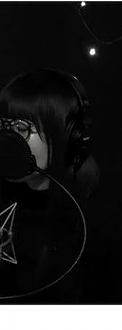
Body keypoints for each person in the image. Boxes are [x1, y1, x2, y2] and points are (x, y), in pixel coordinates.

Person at [0, 68, 99, 302]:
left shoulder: (94, 221)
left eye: (21, 128)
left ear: (66, 136)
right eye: (3, 125)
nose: (7, 140)